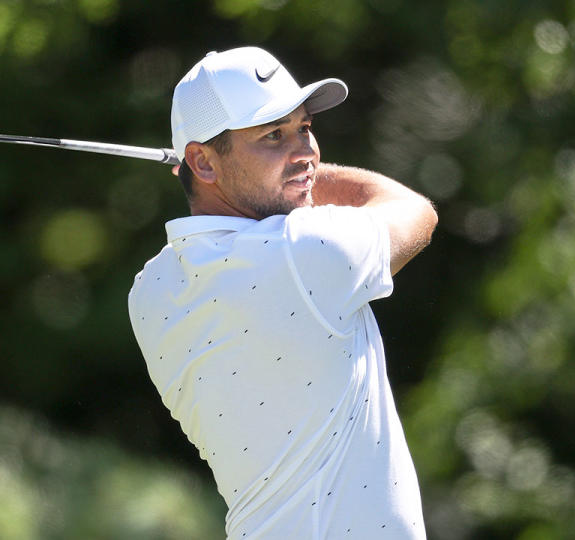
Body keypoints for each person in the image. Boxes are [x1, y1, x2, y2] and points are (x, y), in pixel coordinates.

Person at [128, 46, 437, 539]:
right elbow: (414, 209)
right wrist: (313, 177)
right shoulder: (305, 253)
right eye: (273, 135)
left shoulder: (151, 290)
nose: (307, 152)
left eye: (305, 129)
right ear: (202, 162)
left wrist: (281, 170)